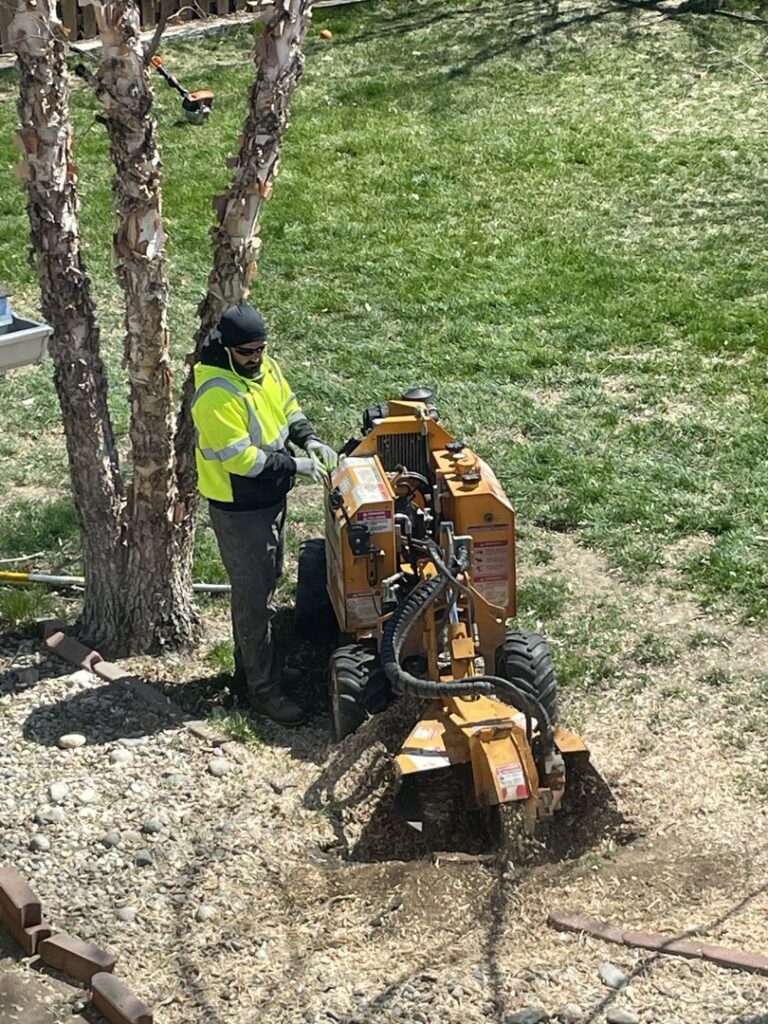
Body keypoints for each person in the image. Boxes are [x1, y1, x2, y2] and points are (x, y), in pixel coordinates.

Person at [191, 302, 337, 726]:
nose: (256, 359)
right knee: (254, 601)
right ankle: (263, 693)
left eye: (260, 350)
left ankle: (254, 670)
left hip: (270, 498)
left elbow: (286, 405)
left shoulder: (261, 366)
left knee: (268, 584)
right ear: (226, 347)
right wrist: (298, 466)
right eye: (248, 353)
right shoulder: (217, 393)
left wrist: (308, 439)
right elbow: (243, 460)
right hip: (241, 508)